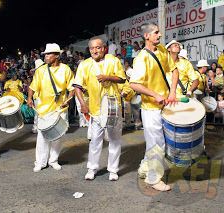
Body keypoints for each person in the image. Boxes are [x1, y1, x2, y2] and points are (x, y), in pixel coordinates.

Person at [129, 22, 179, 191]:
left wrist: (172, 91)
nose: (159, 35)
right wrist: (155, 95)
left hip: (164, 105)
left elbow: (174, 70)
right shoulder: (141, 58)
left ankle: (144, 169)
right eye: (156, 33)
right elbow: (134, 84)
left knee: (154, 142)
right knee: (157, 144)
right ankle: (153, 178)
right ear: (147, 36)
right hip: (150, 109)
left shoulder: (164, 51)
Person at [74, 36, 126, 181]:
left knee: (115, 140)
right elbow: (77, 86)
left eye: (98, 47)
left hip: (113, 107)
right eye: (92, 48)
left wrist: (108, 77)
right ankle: (92, 168)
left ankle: (113, 170)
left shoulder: (113, 61)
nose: (95, 51)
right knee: (95, 140)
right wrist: (83, 104)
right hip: (95, 108)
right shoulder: (84, 65)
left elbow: (122, 79)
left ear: (104, 48)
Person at [27, 43, 75, 172]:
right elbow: (32, 87)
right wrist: (29, 98)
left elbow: (72, 89)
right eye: (45, 54)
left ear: (57, 55)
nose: (46, 56)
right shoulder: (41, 70)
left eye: (49, 54)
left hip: (59, 109)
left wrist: (67, 100)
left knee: (57, 136)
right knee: (42, 137)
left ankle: (53, 160)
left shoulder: (65, 69)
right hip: (44, 109)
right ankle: (40, 162)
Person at [31, 59, 44, 134]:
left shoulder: (39, 74)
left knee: (39, 112)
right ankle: (36, 126)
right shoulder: (37, 74)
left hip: (40, 95)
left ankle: (36, 127)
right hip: (38, 95)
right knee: (38, 112)